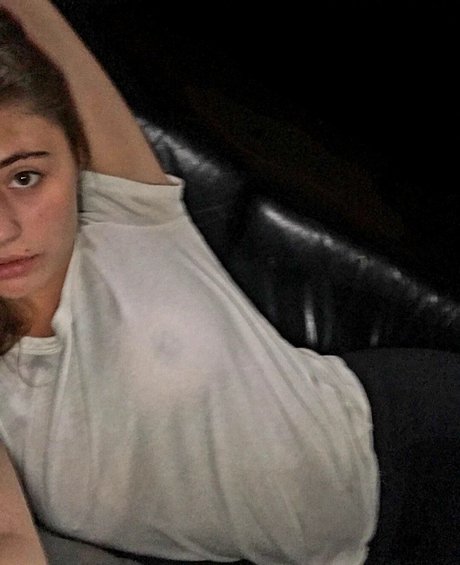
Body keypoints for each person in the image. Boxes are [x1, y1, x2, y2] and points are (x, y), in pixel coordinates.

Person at [0, 2, 458, 564]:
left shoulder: (126, 217)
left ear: (74, 160)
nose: (4, 229)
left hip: (413, 451)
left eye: (26, 177)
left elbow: (39, 16)